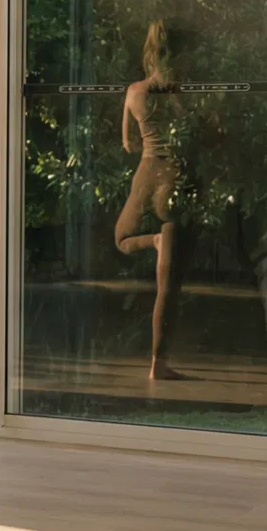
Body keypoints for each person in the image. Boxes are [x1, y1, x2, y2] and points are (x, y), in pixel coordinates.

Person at [114, 20, 185, 382]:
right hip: (172, 175)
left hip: (146, 173)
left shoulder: (133, 91)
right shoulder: (174, 90)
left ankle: (152, 241)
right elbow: (193, 126)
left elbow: (129, 143)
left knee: (122, 239)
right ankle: (158, 362)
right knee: (166, 284)